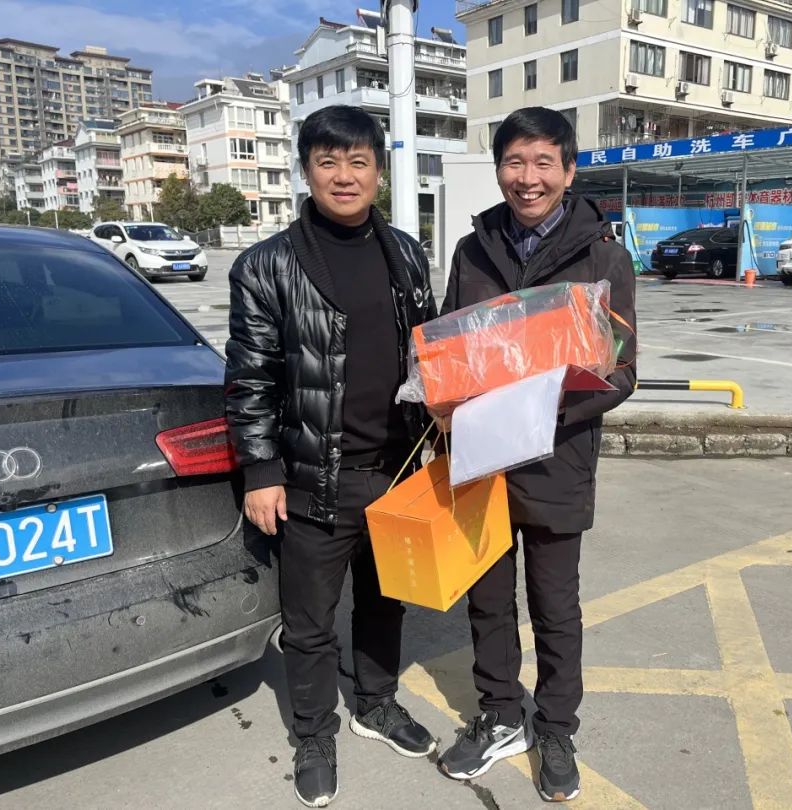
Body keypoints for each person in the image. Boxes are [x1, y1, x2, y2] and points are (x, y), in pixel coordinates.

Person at [224, 105, 438, 808]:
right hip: (314, 477)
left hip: (397, 468)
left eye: (358, 162)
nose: (344, 177)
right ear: (306, 171)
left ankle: (375, 703)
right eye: (327, 162)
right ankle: (314, 734)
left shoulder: (404, 251)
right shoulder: (267, 265)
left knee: (385, 601)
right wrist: (261, 470)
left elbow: (429, 352)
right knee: (310, 622)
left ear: (378, 171)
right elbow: (251, 377)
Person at [436, 107, 637, 802]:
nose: (529, 178)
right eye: (514, 162)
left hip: (557, 460)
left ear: (569, 170)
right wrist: (437, 396)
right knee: (488, 601)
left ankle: (554, 727)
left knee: (555, 606)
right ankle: (500, 714)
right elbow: (451, 343)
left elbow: (620, 373)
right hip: (482, 463)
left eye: (544, 162)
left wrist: (533, 414)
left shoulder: (603, 256)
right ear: (499, 169)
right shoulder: (474, 250)